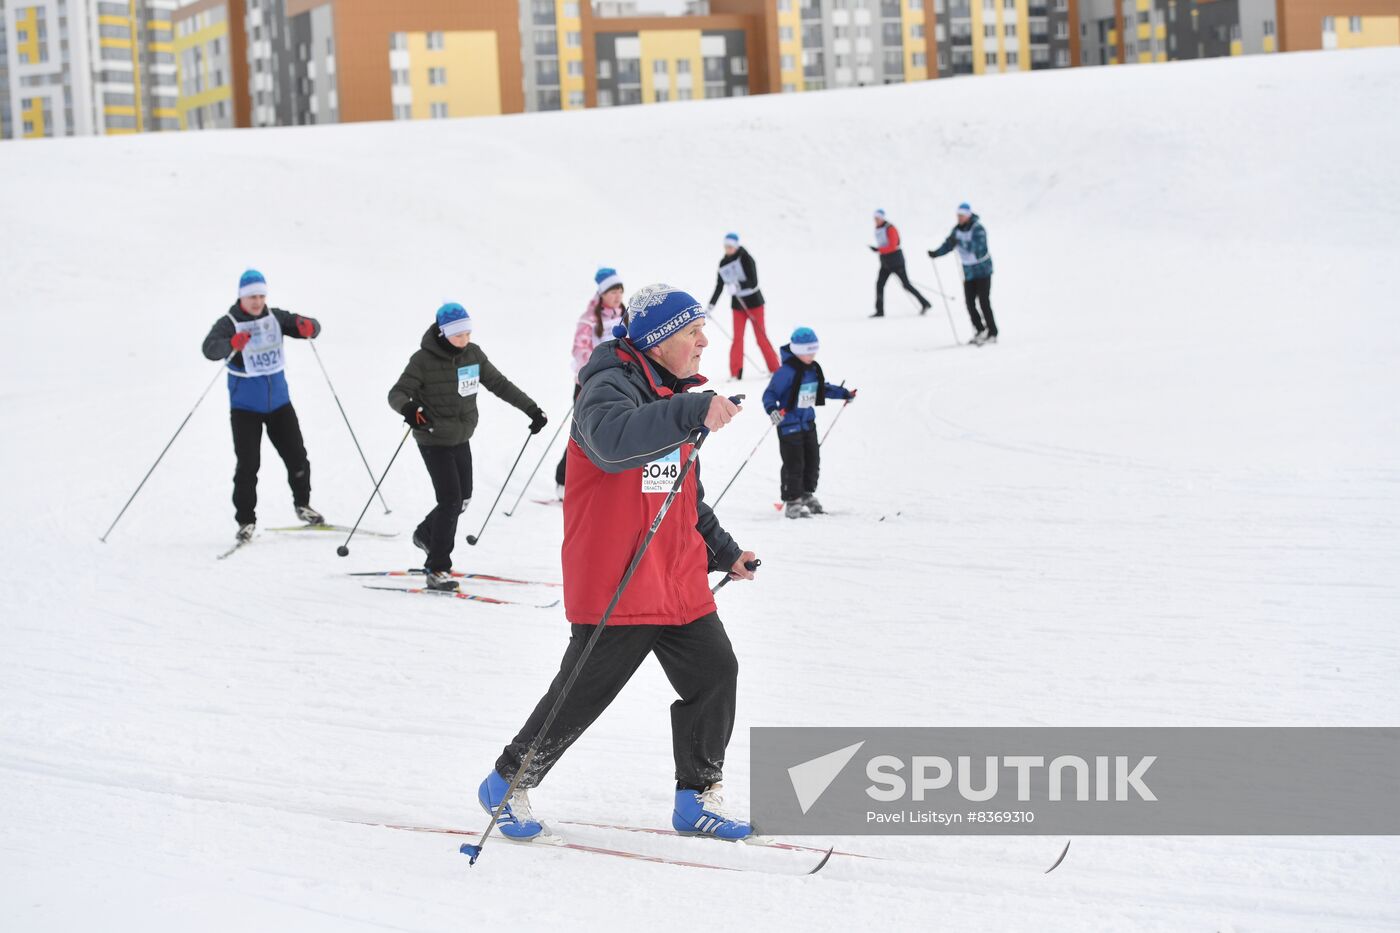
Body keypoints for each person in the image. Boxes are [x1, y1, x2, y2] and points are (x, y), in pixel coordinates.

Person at [479, 284, 759, 842]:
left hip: (674, 580)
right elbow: (610, 444)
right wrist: (689, 409)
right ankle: (506, 784)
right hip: (621, 581)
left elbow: (684, 495)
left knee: (715, 675)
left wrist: (726, 553)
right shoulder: (607, 386)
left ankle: (696, 798)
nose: (705, 341)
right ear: (657, 341)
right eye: (691, 332)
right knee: (583, 694)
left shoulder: (673, 392)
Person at [387, 303, 546, 591]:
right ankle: (437, 568)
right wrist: (409, 408)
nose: (464, 340)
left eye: (468, 333)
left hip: (461, 436)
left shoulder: (473, 355)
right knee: (449, 500)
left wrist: (531, 409)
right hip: (433, 438)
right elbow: (397, 393)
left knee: (462, 500)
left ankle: (425, 534)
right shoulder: (422, 360)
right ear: (443, 332)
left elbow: (499, 383)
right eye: (458, 335)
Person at [201, 269, 324, 543]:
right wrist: (230, 344)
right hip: (245, 408)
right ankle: (246, 521)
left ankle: (302, 505)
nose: (257, 302)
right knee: (248, 465)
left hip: (280, 403)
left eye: (260, 295)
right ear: (241, 297)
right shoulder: (230, 322)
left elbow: (307, 325)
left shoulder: (274, 317)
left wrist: (310, 326)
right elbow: (209, 348)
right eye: (251, 297)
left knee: (297, 456)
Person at [762, 327, 856, 519]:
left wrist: (844, 394)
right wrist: (772, 410)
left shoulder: (812, 369)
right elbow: (769, 394)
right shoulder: (785, 372)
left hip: (807, 423)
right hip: (789, 425)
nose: (812, 355)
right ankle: (793, 501)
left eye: (814, 351)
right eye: (808, 351)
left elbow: (823, 388)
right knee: (794, 464)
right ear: (798, 351)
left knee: (812, 461)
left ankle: (806, 494)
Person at [553, 267, 629, 499]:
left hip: (621, 384)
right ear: (602, 294)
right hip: (589, 384)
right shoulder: (589, 319)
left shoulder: (625, 315)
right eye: (612, 292)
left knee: (613, 431)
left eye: (620, 291)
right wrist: (593, 375)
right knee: (583, 433)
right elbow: (580, 351)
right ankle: (563, 479)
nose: (617, 296)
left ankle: (603, 482)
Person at [707, 232, 779, 380]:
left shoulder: (746, 258)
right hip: (738, 306)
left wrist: (737, 285)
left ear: (736, 246)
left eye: (730, 246)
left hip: (754, 303)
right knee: (737, 338)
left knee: (761, 337)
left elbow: (754, 281)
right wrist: (711, 305)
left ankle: (776, 369)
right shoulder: (723, 262)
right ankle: (735, 373)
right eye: (726, 247)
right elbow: (719, 285)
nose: (728, 249)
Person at [929, 202, 997, 345]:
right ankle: (980, 330)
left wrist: (960, 242)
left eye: (961, 215)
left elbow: (979, 248)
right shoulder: (957, 230)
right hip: (969, 272)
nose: (959, 218)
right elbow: (949, 244)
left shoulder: (978, 229)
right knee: (970, 303)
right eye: (957, 215)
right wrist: (936, 253)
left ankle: (992, 332)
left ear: (968, 215)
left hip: (983, 271)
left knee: (984, 302)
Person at [870, 208, 931, 318]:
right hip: (885, 263)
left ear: (882, 218)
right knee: (879, 285)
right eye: (875, 218)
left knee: (906, 284)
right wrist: (880, 251)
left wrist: (879, 250)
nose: (875, 220)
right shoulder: (878, 228)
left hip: (896, 261)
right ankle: (879, 311)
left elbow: (893, 245)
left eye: (877, 218)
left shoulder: (890, 228)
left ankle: (925, 303)